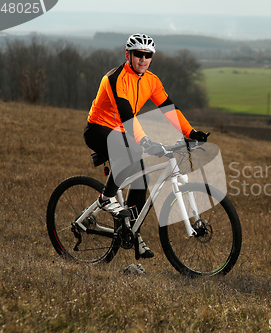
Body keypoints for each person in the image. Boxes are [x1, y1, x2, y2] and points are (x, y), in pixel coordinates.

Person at [83, 33, 208, 259]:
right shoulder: (115, 78)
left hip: (122, 132)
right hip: (98, 129)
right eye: (138, 54)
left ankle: (132, 233)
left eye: (147, 55)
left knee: (141, 181)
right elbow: (127, 116)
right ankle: (106, 198)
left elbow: (170, 109)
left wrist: (191, 132)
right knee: (129, 151)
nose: (142, 59)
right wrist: (145, 141)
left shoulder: (151, 80)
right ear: (128, 55)